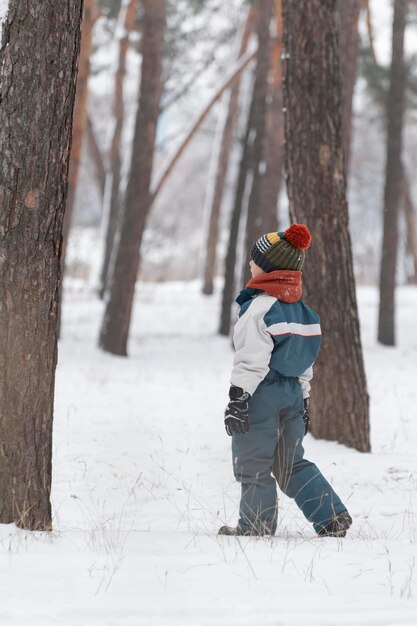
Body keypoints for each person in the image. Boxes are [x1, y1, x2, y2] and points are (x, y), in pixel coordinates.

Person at [219, 224, 352, 538]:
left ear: (267, 267)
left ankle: (257, 526)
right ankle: (331, 516)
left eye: (255, 259)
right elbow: (305, 364)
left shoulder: (258, 310)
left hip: (261, 396)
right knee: (290, 463)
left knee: (253, 463)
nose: (250, 264)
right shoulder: (305, 313)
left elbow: (251, 361)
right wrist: (303, 399)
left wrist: (238, 401)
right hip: (292, 394)